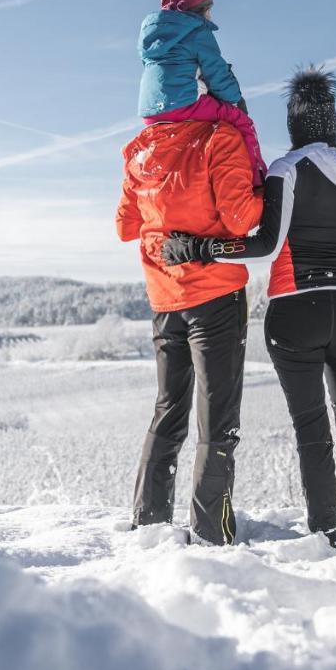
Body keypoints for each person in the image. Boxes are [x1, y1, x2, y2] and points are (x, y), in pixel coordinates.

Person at [160, 68, 336, 558]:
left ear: (295, 124)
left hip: (294, 311)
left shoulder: (288, 170)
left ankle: (328, 539)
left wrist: (199, 247)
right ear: (333, 120)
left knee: (313, 431)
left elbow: (265, 244)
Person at [117, 113, 263, 546]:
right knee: (217, 417)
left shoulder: (139, 150)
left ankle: (149, 523)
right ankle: (209, 532)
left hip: (164, 299)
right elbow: (242, 219)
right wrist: (262, 192)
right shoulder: (218, 139)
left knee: (168, 408)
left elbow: (126, 225)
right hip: (215, 296)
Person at [138, 0, 268, 187]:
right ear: (198, 9)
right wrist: (235, 100)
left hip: (150, 112)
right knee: (242, 121)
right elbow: (216, 73)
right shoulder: (198, 32)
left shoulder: (152, 37)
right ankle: (257, 179)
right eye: (209, 9)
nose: (210, 15)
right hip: (184, 103)